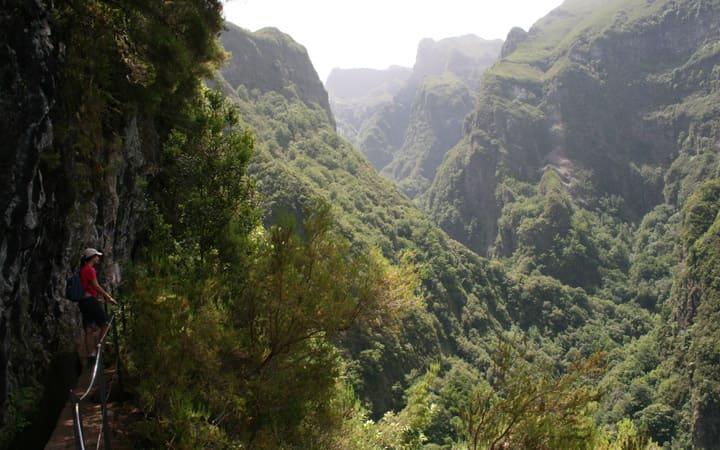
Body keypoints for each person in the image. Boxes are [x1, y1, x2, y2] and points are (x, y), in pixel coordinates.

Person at [78, 247, 118, 366]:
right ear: (92, 258)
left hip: (83, 301)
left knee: (88, 329)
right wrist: (108, 297)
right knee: (105, 324)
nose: (98, 258)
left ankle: (91, 355)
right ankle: (100, 348)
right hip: (90, 301)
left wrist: (96, 299)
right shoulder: (90, 270)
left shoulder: (82, 270)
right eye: (96, 256)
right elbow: (96, 286)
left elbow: (86, 288)